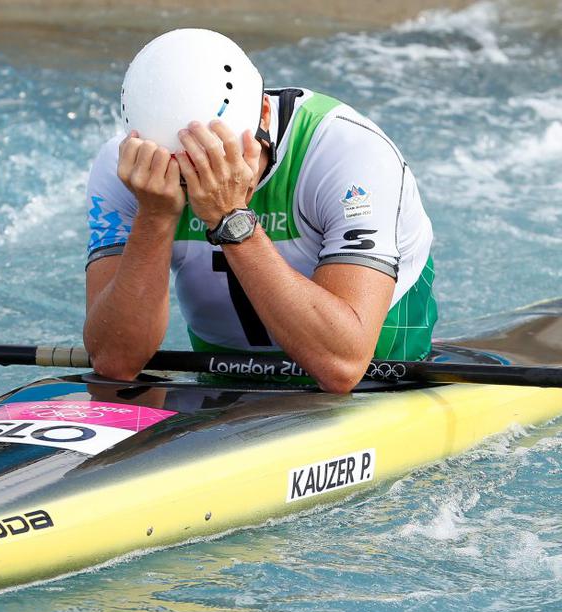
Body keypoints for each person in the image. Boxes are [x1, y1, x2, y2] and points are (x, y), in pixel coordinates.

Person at [83, 29, 437, 393]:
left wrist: (231, 219)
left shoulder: (349, 153)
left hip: (379, 380)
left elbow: (342, 366)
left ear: (264, 115)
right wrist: (154, 217)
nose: (208, 180)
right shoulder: (128, 169)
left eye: (220, 158)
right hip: (222, 385)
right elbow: (115, 362)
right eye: (184, 174)